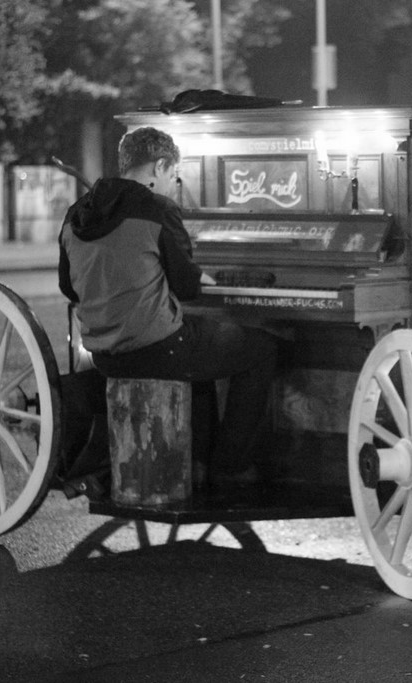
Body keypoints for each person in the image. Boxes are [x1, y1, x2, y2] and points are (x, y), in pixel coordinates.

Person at [58, 126, 277, 487]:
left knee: (203, 343)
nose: (175, 184)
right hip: (159, 350)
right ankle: (231, 465)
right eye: (174, 175)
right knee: (262, 348)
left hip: (105, 357)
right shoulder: (157, 209)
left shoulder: (75, 214)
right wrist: (207, 276)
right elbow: (187, 287)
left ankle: (198, 463)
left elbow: (68, 287)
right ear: (159, 166)